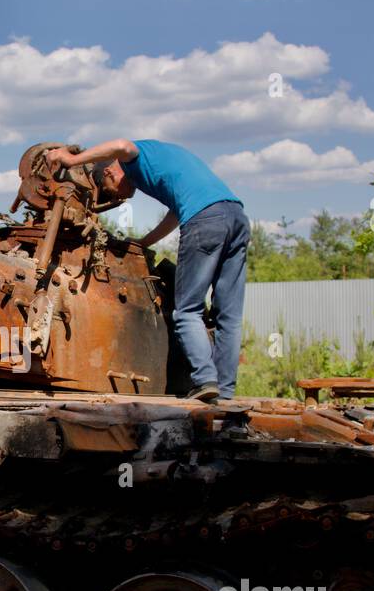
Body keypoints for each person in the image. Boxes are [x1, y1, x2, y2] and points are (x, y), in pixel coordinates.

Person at [46, 139, 249, 402]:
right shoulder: (163, 160)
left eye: (109, 189)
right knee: (229, 317)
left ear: (110, 171)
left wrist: (72, 159)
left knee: (188, 311)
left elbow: (122, 145)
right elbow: (175, 215)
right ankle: (226, 393)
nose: (117, 197)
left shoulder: (133, 161)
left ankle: (205, 380)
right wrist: (142, 244)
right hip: (236, 216)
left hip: (205, 221)